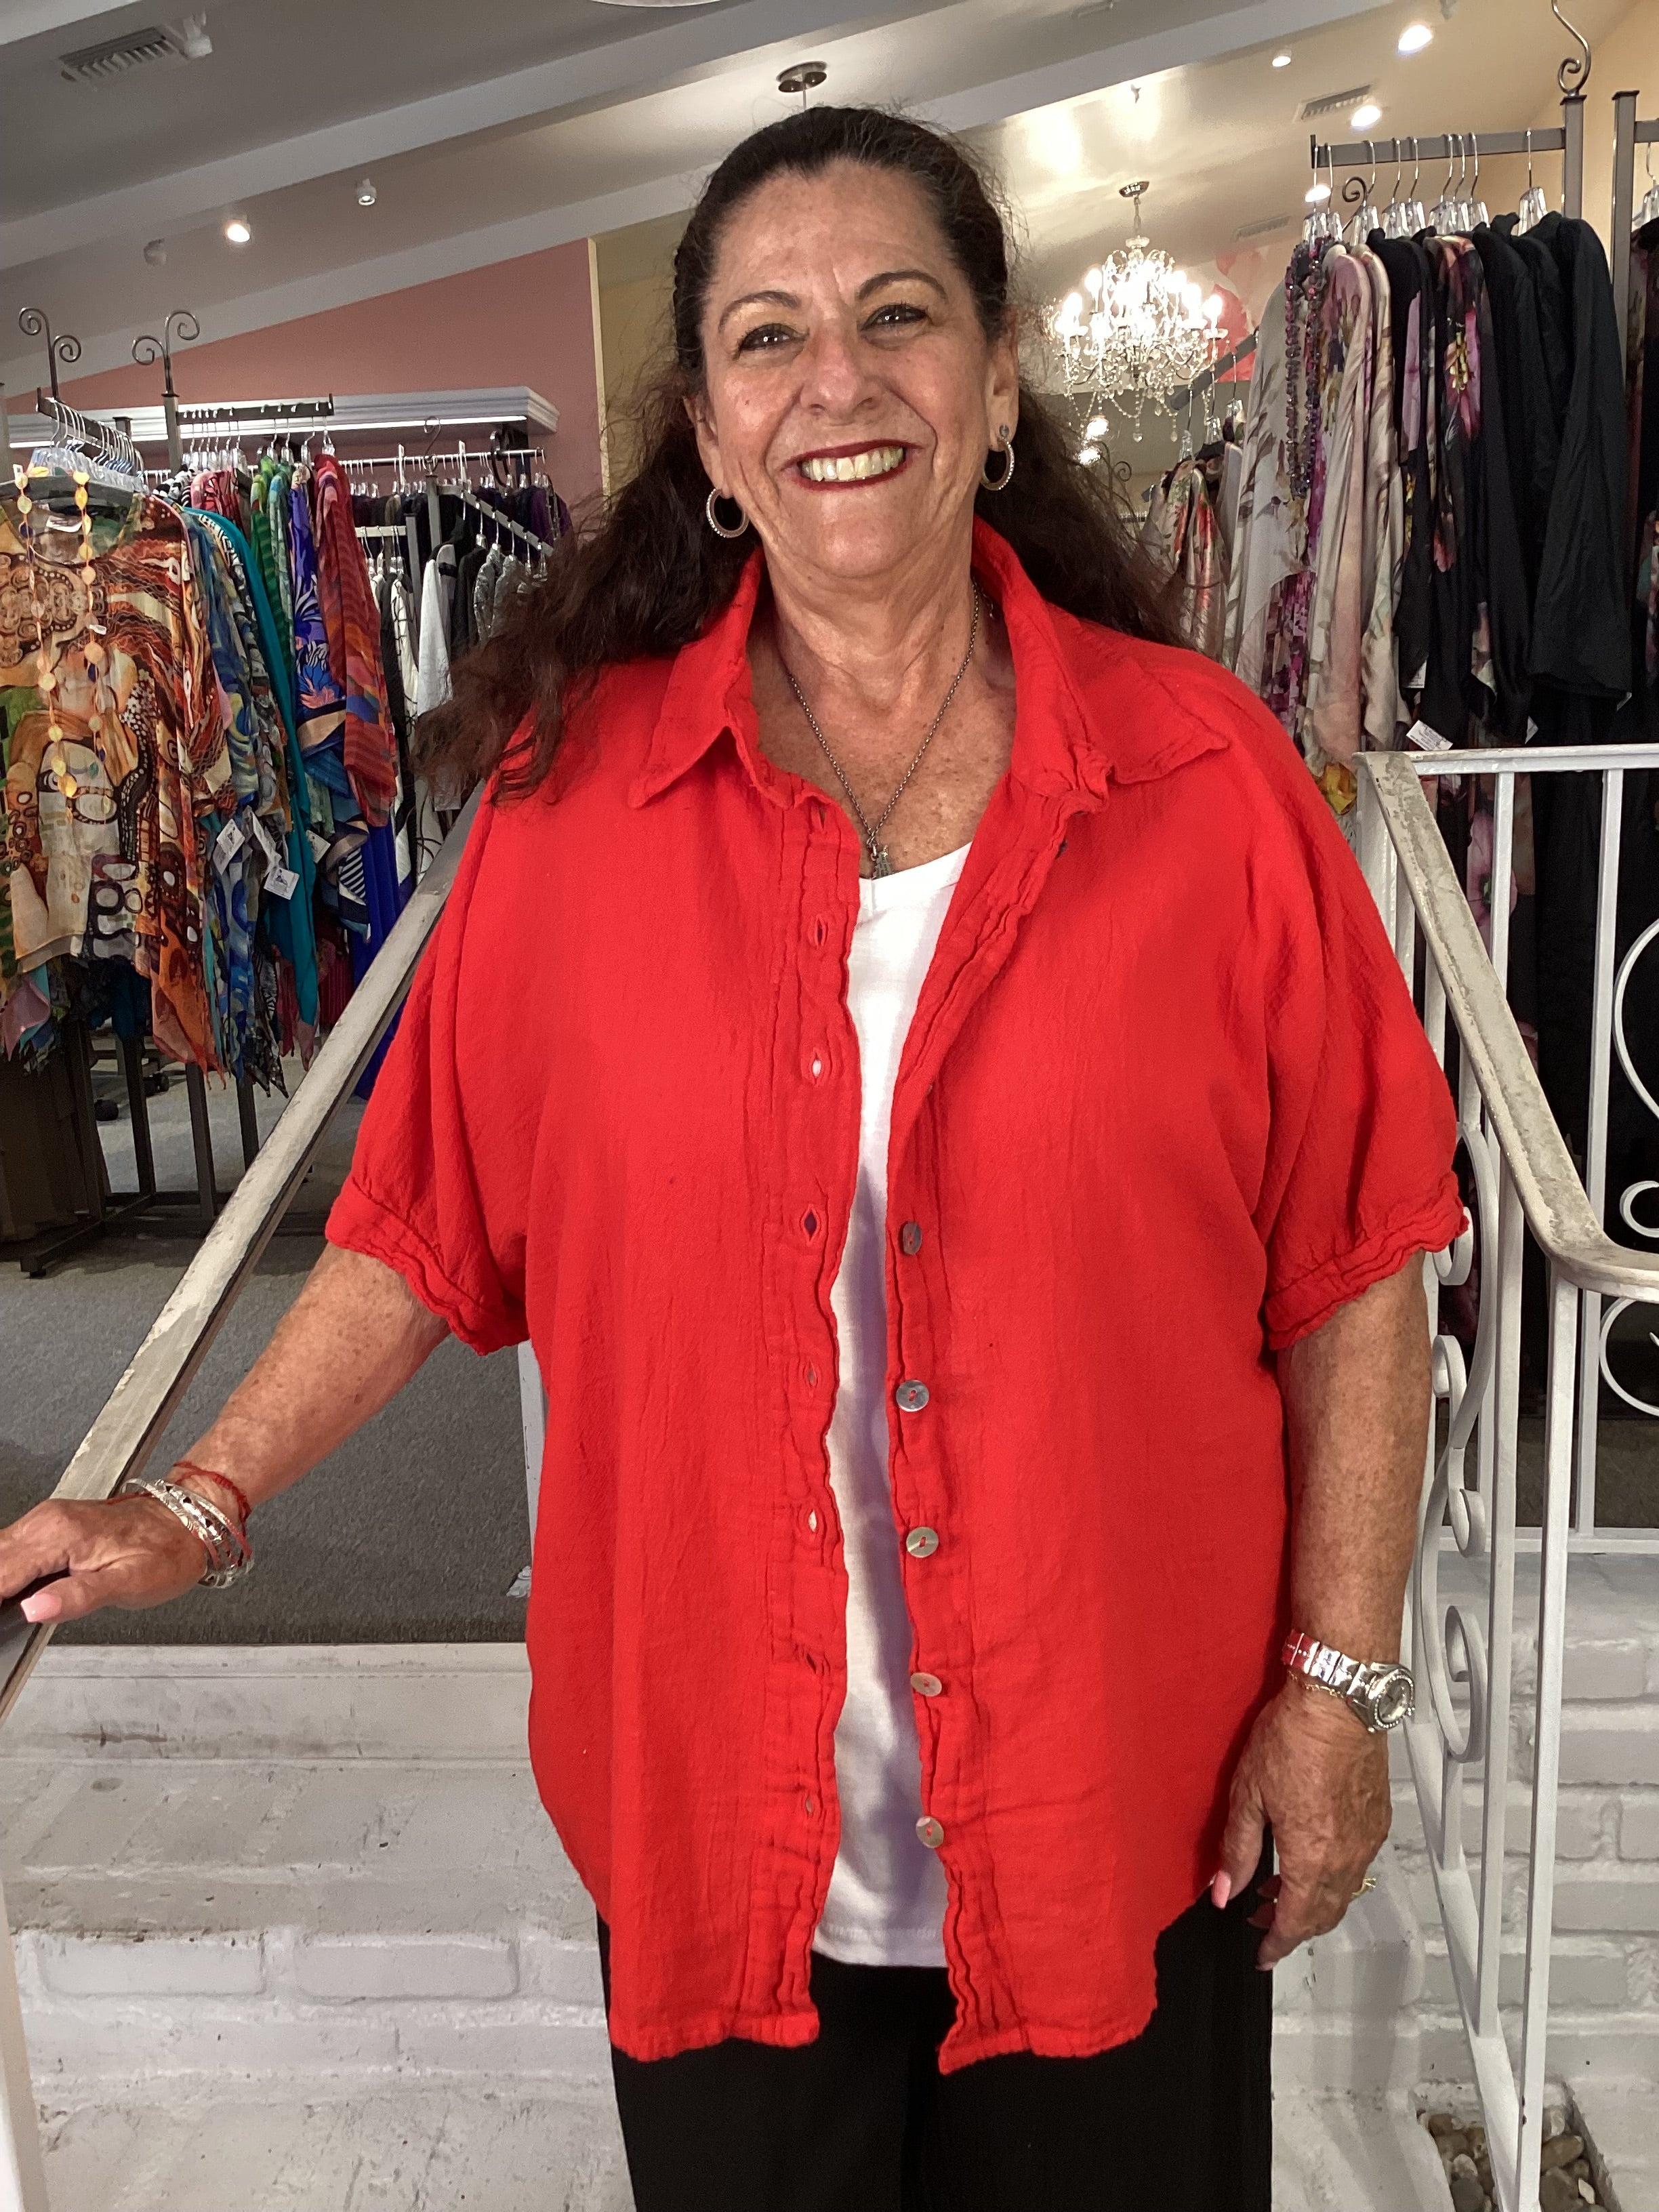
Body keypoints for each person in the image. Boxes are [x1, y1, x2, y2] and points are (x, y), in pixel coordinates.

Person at [0, 106, 1463, 2212]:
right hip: (724, 1826)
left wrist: (1336, 1695)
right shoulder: (569, 811)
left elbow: (1358, 1269)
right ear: (708, 429)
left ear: (998, 377)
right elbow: (419, 1227)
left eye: (898, 316)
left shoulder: (1209, 785)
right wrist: (198, 1497)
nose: (836, 382)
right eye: (769, 338)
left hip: (1125, 1809)